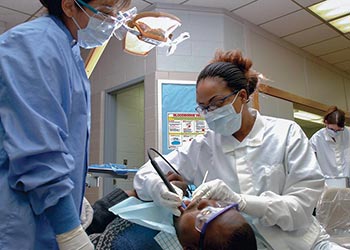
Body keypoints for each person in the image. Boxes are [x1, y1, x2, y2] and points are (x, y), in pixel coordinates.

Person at [133, 49, 346, 249]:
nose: (209, 113)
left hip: (304, 244)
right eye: (203, 107)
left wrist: (242, 202)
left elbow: (300, 210)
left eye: (215, 104)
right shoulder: (202, 146)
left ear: (242, 96)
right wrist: (158, 189)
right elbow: (144, 175)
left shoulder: (285, 133)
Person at [0, 0, 130, 249]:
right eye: (105, 11)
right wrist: (69, 229)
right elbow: (39, 151)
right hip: (19, 226)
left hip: (42, 221)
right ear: (70, 6)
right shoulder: (33, 44)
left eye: (117, 12)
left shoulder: (68, 50)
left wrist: (74, 201)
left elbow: (65, 141)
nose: (113, 20)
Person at [85, 187, 257, 250]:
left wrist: (134, 194)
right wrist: (149, 190)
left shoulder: (126, 244)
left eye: (205, 216)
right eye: (221, 206)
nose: (205, 202)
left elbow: (80, 235)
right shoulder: (179, 217)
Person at [310, 106, 350, 179]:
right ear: (326, 122)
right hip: (329, 183)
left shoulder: (348, 133)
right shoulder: (316, 139)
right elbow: (310, 164)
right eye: (332, 129)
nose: (335, 133)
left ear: (344, 124)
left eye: (338, 130)